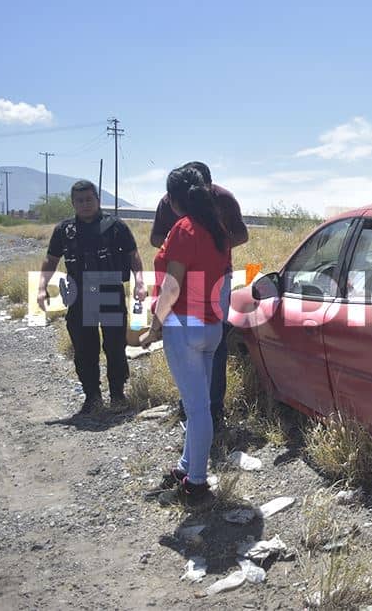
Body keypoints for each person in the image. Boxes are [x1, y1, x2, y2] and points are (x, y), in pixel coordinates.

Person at [141, 166, 233, 506]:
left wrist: (155, 325)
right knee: (202, 407)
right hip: (210, 328)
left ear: (171, 199)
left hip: (184, 326)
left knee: (196, 411)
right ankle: (186, 467)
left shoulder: (183, 229)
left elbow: (172, 284)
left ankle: (196, 483)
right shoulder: (216, 229)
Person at [150, 161, 248, 431]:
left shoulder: (224, 200)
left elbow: (241, 235)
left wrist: (207, 244)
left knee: (210, 345)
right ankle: (194, 406)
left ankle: (209, 408)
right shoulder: (170, 206)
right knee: (196, 345)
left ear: (210, 186)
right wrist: (182, 248)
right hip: (183, 278)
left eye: (203, 187)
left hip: (214, 280)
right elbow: (155, 237)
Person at [37, 180, 148, 415]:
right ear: (73, 203)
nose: (85, 204)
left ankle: (118, 395)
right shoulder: (64, 231)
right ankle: (92, 397)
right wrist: (41, 287)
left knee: (115, 346)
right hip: (78, 293)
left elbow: (133, 255)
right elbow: (51, 259)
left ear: (97, 199)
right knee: (84, 348)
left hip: (109, 290)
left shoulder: (115, 226)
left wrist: (140, 281)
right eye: (80, 200)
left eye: (89, 199)